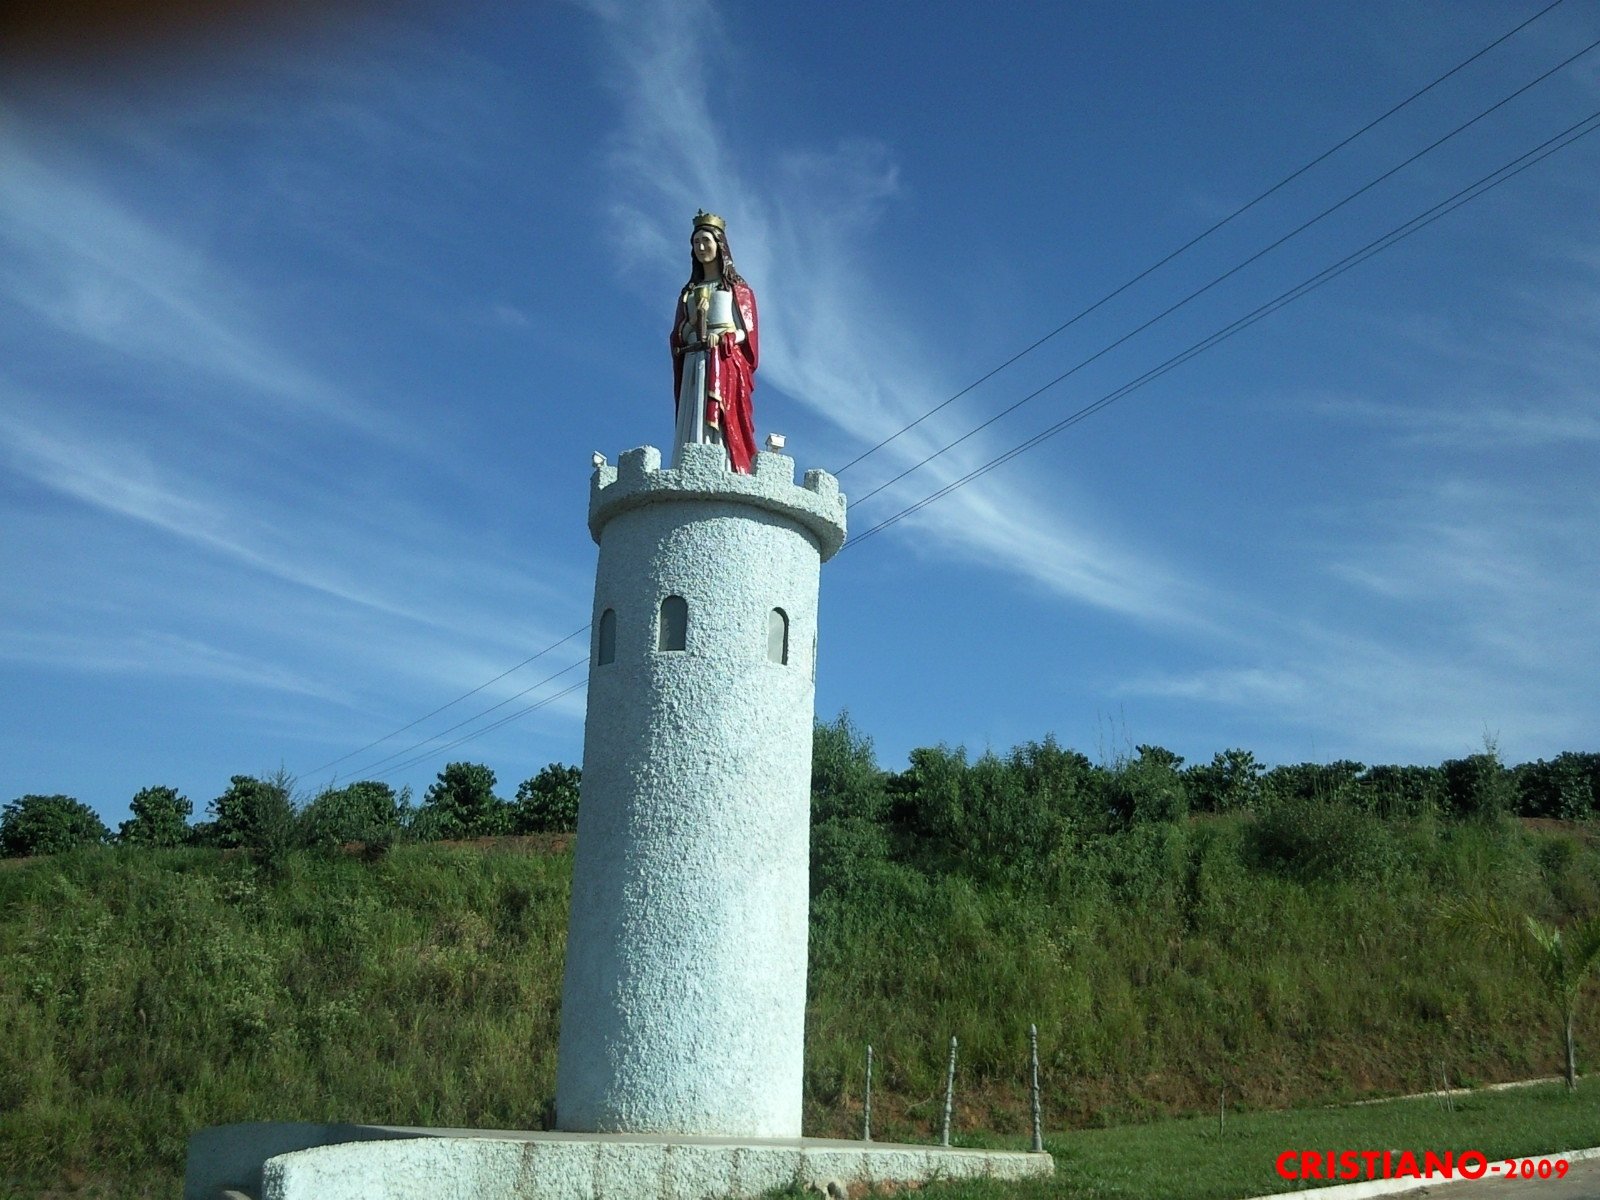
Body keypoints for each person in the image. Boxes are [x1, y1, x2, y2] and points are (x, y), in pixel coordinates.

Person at [670, 210, 758, 473]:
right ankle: (690, 459)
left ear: (719, 245)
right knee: (693, 410)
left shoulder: (736, 289)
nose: (700, 247)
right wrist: (690, 330)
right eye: (696, 243)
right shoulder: (689, 293)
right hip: (695, 358)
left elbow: (748, 332)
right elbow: (679, 331)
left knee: (722, 413)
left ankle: (724, 463)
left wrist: (726, 338)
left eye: (705, 241)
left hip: (724, 359)